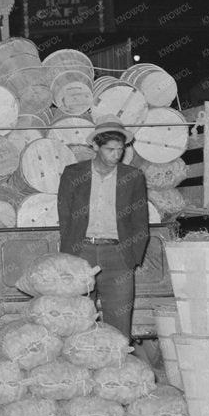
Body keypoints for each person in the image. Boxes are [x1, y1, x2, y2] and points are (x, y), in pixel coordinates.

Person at [57, 120, 149, 338]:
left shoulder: (133, 176)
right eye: (110, 149)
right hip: (81, 254)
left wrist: (132, 257)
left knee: (119, 322)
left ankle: (118, 367)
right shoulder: (73, 174)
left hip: (118, 255)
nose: (116, 155)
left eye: (120, 150)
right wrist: (71, 254)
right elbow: (65, 216)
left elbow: (140, 222)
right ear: (96, 148)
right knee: (79, 319)